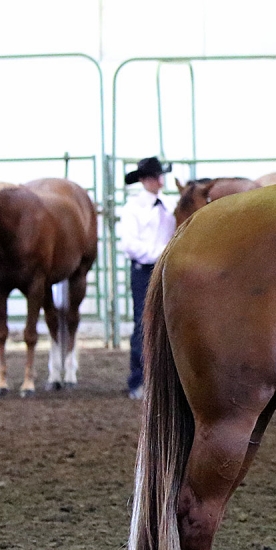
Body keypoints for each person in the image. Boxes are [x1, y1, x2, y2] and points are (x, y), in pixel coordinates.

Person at [118, 157, 175, 399]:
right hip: (144, 271)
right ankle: (138, 380)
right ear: (144, 180)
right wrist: (163, 253)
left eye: (160, 175)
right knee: (143, 323)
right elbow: (131, 245)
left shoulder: (170, 206)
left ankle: (166, 382)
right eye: (154, 176)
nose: (159, 180)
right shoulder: (132, 208)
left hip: (167, 271)